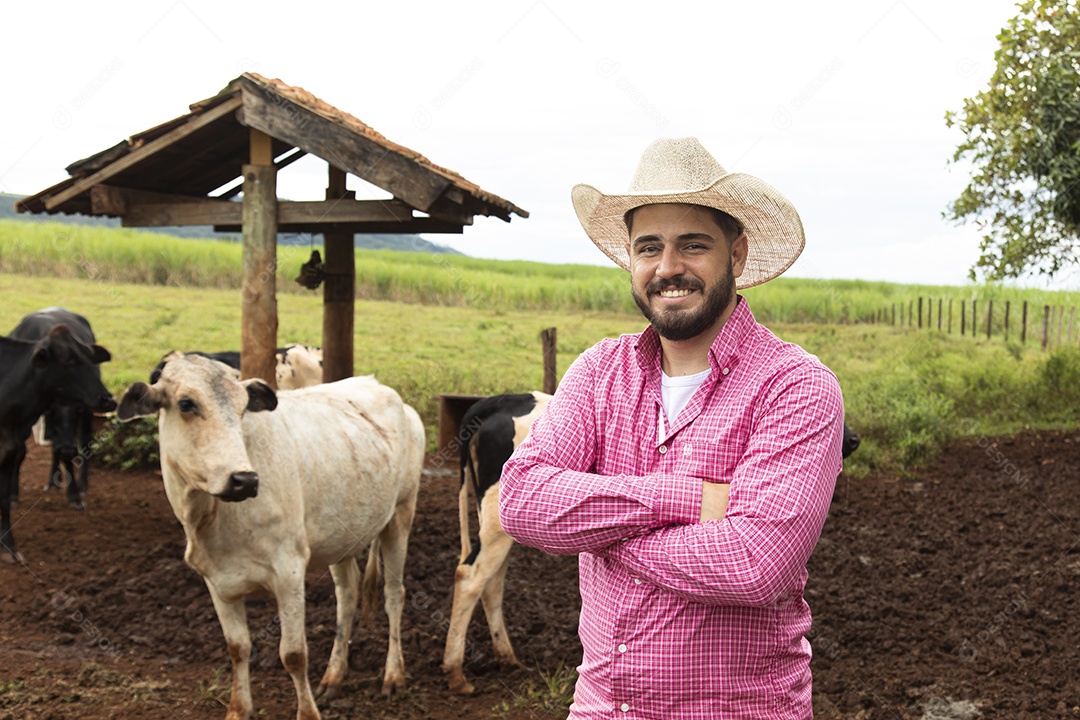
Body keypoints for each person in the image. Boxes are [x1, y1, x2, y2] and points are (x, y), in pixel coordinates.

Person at [499, 137, 845, 719]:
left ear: (736, 255)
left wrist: (596, 530)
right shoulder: (598, 371)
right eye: (649, 247)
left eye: (693, 246)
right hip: (602, 709)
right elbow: (521, 500)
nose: (668, 268)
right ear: (630, 259)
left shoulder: (795, 386)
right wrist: (686, 499)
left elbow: (754, 563)